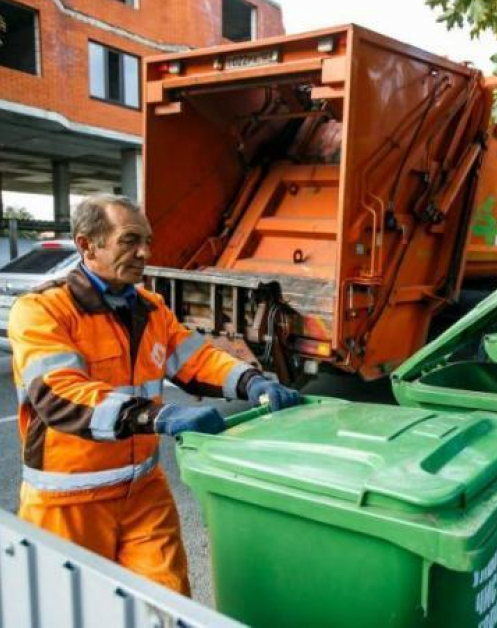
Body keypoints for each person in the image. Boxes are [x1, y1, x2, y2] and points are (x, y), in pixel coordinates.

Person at [8, 194, 300, 595]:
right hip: (67, 503)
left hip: (143, 495)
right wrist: (156, 416)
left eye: (147, 240)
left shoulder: (150, 308)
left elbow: (195, 360)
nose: (145, 252)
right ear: (86, 245)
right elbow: (59, 392)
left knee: (167, 603)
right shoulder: (44, 310)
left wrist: (252, 381)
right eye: (129, 240)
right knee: (71, 612)